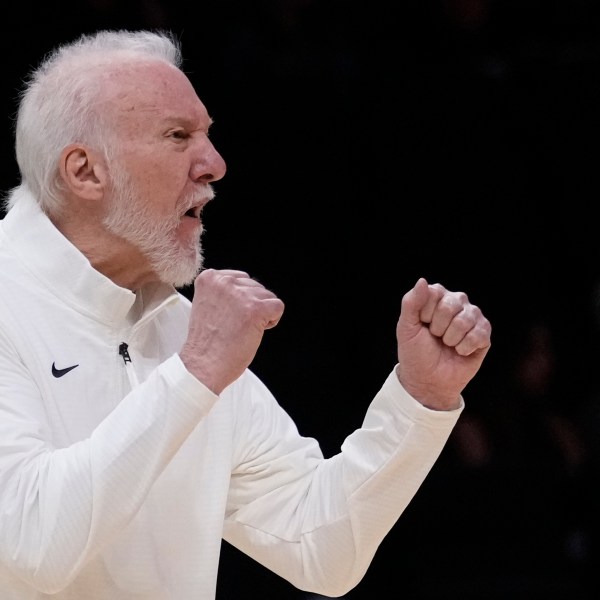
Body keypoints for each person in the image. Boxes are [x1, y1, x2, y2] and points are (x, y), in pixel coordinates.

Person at [0, 29, 492, 600]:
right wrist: (197, 371)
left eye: (207, 136)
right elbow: (28, 544)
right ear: (85, 172)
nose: (214, 164)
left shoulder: (179, 329)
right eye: (177, 136)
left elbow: (320, 547)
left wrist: (419, 398)